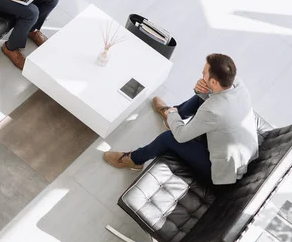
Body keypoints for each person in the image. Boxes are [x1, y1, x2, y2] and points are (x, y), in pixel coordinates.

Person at [103, 53, 259, 185]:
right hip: (236, 149)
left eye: (204, 72)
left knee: (168, 138)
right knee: (202, 98)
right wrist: (200, 90)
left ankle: (135, 160)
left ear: (214, 81)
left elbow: (181, 135)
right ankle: (170, 117)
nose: (201, 73)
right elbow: (212, 101)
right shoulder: (237, 84)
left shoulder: (213, 110)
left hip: (221, 170)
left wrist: (173, 113)